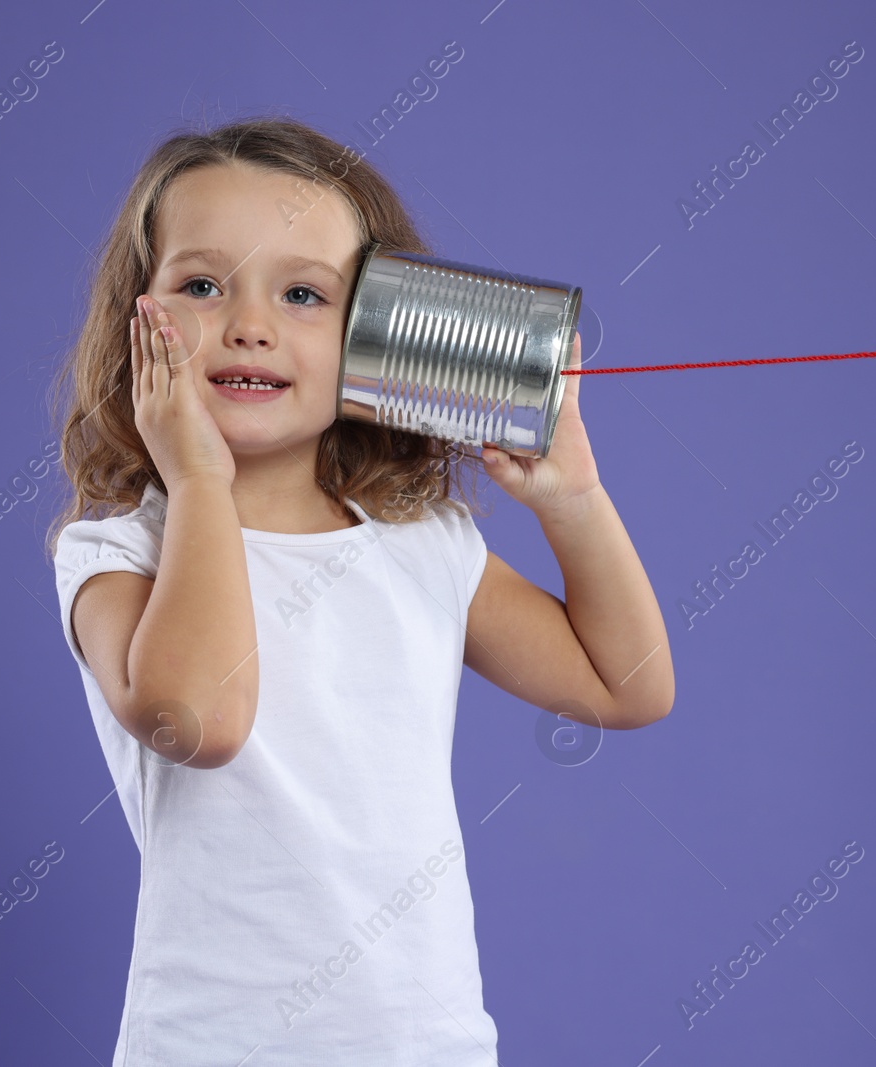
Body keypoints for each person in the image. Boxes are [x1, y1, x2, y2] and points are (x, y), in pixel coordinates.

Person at [45, 115, 674, 1065]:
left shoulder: (422, 546)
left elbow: (626, 685)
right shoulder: (116, 555)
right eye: (202, 284)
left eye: (303, 293)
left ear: (374, 334)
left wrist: (574, 500)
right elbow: (200, 718)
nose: (249, 321)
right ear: (140, 321)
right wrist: (202, 482)